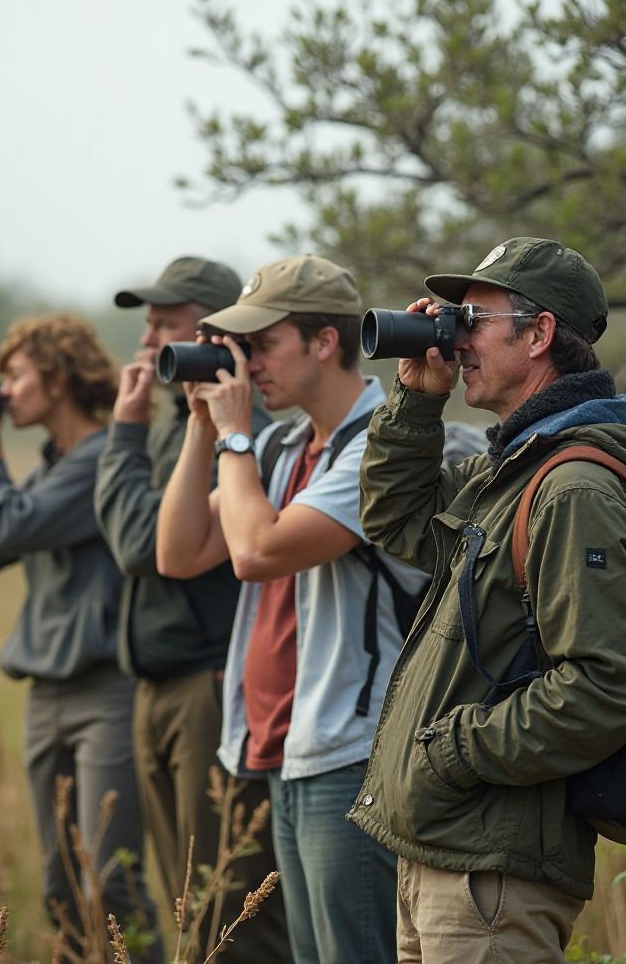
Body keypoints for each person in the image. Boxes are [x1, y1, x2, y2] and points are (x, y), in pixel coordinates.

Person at [349, 236, 626, 962]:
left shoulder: (574, 487)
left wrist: (450, 752)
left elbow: (601, 688)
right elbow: (396, 522)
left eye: (473, 318)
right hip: (448, 856)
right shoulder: (513, 468)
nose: (457, 337)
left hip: (491, 878)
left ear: (538, 335)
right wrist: (416, 398)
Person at [156, 254, 425, 964]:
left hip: (356, 752)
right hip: (288, 748)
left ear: (324, 342)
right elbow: (179, 553)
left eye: (262, 344)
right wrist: (202, 425)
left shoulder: (379, 448)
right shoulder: (280, 447)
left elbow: (256, 552)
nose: (248, 365)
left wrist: (236, 436)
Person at [0, 313, 160, 957]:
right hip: (47, 696)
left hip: (107, 695)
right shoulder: (51, 467)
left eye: (16, 375)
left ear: (59, 379)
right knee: (60, 887)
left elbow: (7, 527)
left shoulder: (100, 462)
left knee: (112, 882)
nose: (3, 391)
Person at [93, 256, 288, 961]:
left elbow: (140, 544)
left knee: (228, 906)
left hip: (211, 687)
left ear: (210, 331)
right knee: (188, 905)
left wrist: (122, 431)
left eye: (163, 324)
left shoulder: (245, 430)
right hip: (161, 684)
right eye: (145, 325)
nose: (147, 341)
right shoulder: (185, 422)